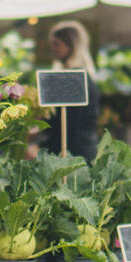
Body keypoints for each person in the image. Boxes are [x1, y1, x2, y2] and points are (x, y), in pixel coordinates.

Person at [41, 20, 99, 158]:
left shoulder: (72, 77)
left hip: (72, 153)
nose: (52, 48)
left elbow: (67, 123)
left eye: (56, 43)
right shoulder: (80, 75)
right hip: (77, 150)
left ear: (71, 46)